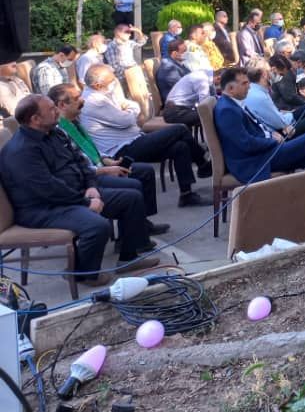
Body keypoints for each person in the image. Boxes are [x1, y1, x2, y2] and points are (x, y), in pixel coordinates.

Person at [0, 95, 159, 285]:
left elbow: (80, 161)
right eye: (51, 109)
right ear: (35, 119)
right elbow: (47, 189)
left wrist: (91, 187)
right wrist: (86, 202)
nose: (57, 111)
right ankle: (82, 274)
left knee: (131, 198)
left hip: (73, 194)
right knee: (97, 225)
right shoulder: (22, 151)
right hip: (42, 208)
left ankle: (128, 258)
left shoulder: (54, 133)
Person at [213, 67, 305, 221]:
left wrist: (271, 134)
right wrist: (271, 140)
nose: (249, 86)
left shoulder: (233, 103)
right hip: (255, 161)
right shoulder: (227, 110)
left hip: (264, 151)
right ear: (230, 88)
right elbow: (246, 144)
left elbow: (254, 129)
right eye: (244, 83)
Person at [79, 65, 210, 206]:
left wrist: (129, 109)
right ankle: (203, 164)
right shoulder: (94, 101)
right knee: (180, 129)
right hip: (121, 151)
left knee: (180, 147)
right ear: (98, 85)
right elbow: (127, 120)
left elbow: (130, 106)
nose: (114, 82)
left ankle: (186, 195)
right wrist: (130, 111)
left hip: (134, 140)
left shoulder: (103, 94)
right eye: (111, 80)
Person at [49, 83, 168, 237]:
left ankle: (141, 223)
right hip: (89, 177)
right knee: (132, 185)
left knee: (145, 171)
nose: (82, 101)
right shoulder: (59, 130)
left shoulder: (74, 122)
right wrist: (105, 170)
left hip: (98, 167)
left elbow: (89, 150)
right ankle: (129, 238)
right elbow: (75, 165)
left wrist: (107, 161)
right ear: (62, 105)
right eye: (77, 98)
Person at [155, 39, 190, 104]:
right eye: (184, 51)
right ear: (174, 53)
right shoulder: (168, 68)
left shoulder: (178, 62)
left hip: (184, 97)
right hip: (177, 103)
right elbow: (183, 86)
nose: (187, 53)